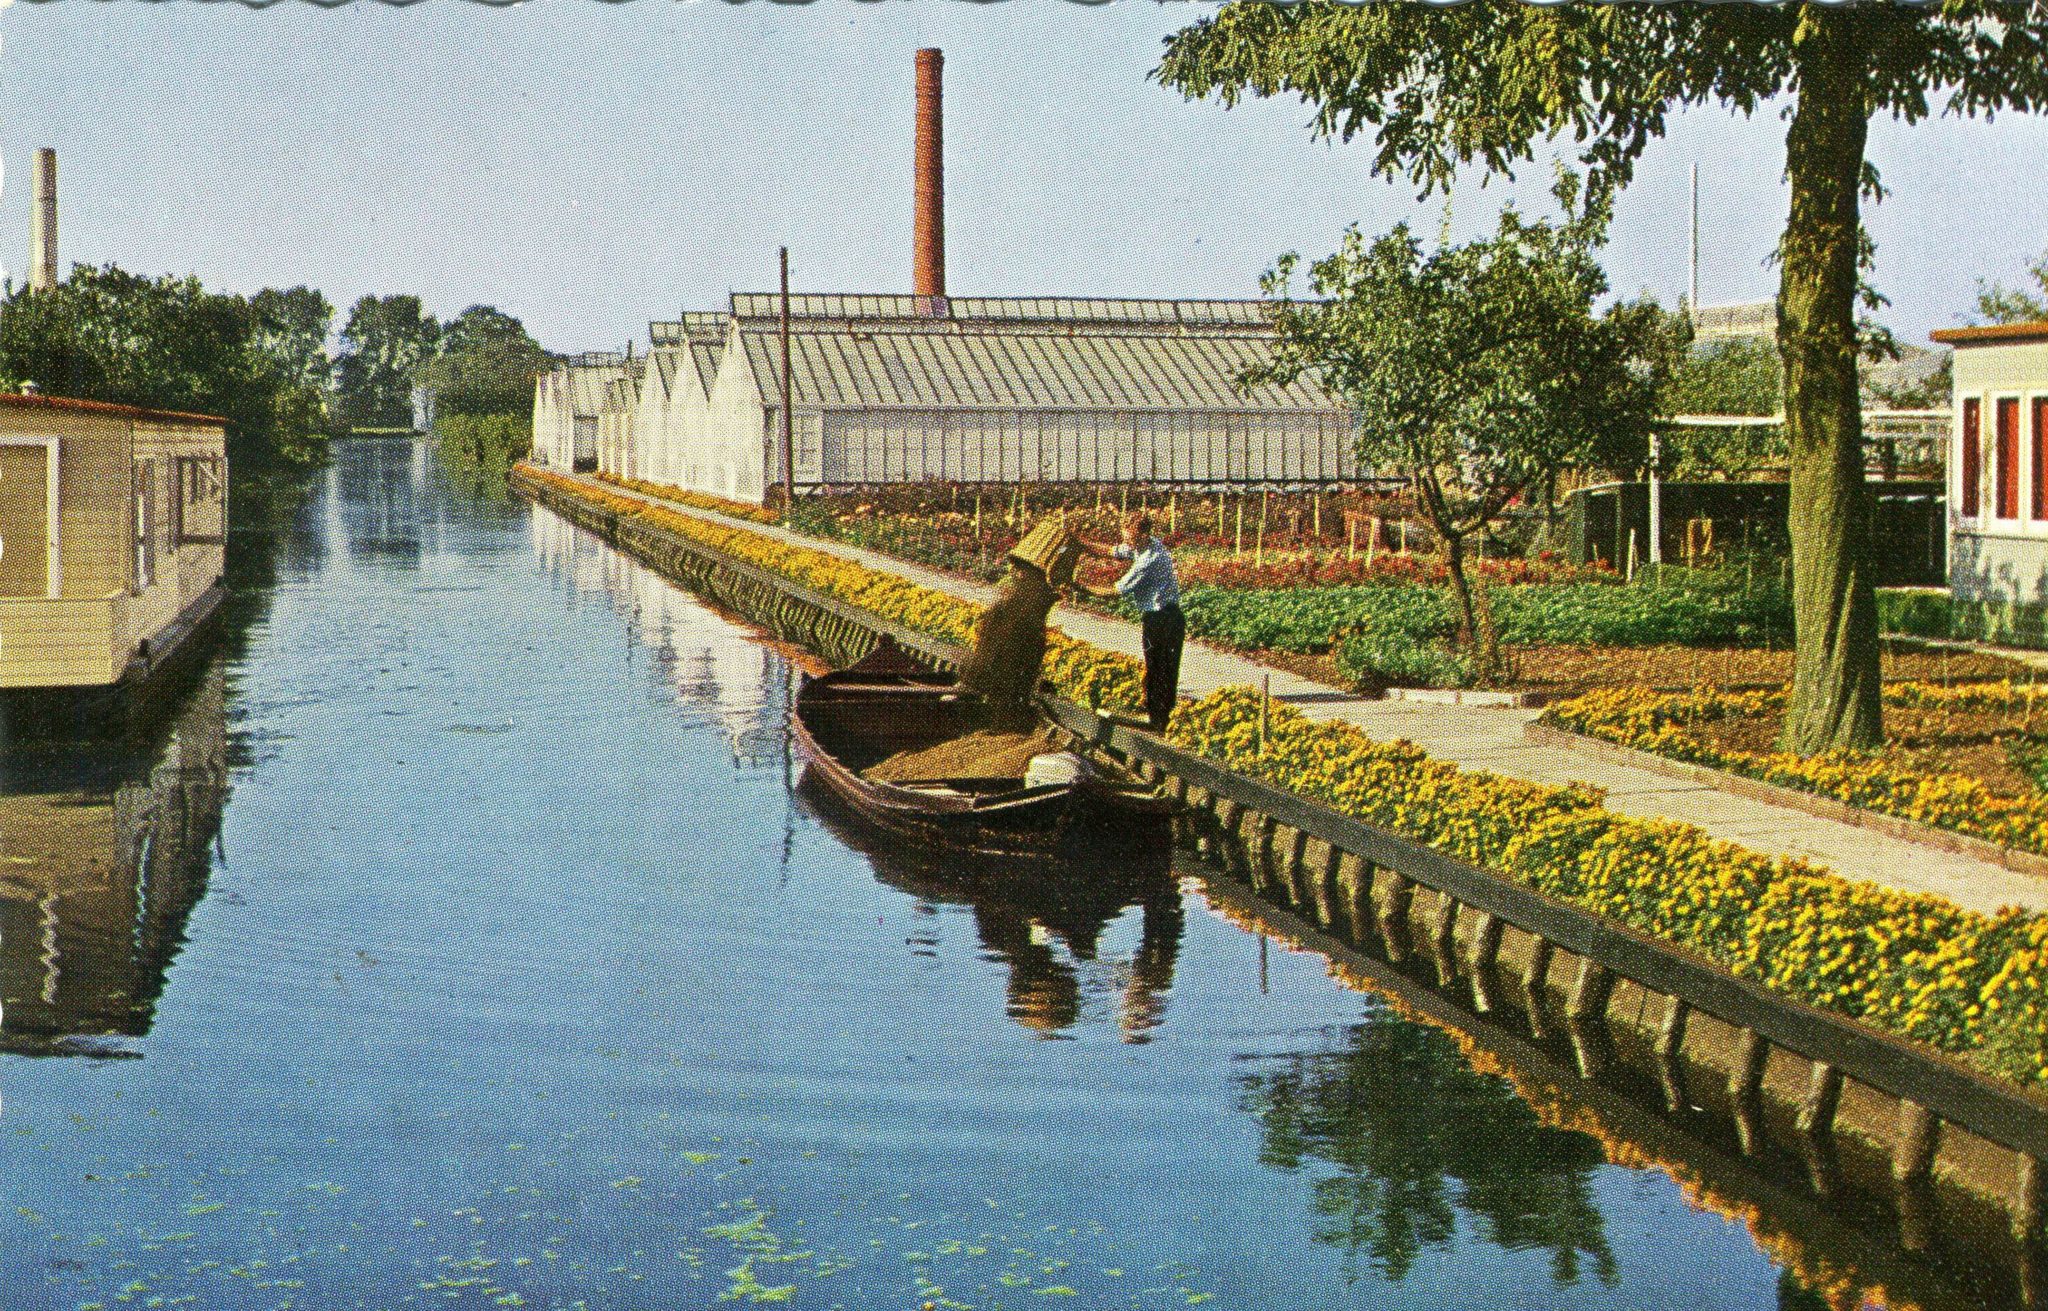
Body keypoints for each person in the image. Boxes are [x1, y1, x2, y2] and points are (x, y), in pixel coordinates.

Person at [1074, 511, 1184, 732]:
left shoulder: (1149, 559)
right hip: (1157, 617)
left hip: (1165, 618)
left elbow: (1117, 590)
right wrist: (1081, 544)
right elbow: (1113, 551)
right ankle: (1155, 714)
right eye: (1125, 538)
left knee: (1161, 668)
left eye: (1131, 539)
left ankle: (1159, 720)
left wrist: (1082, 588)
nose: (1127, 543)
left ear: (1143, 535)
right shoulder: (1143, 545)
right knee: (1154, 665)